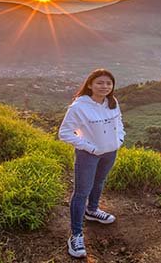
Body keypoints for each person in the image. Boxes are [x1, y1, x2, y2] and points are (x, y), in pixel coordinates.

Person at [58, 68, 125, 258]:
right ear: (90, 84)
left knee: (99, 182)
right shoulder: (79, 107)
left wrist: (119, 139)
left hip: (110, 152)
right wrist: (90, 147)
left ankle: (93, 210)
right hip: (89, 155)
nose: (105, 86)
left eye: (108, 83)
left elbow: (119, 122)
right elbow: (64, 133)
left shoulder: (112, 102)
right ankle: (76, 235)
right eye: (100, 83)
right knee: (81, 192)